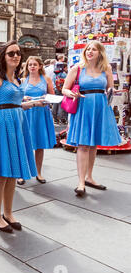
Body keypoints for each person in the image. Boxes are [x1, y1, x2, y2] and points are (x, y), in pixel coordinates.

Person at [0, 40, 42, 233]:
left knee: (12, 171)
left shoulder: (17, 79)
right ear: (3, 56)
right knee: (0, 174)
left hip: (17, 122)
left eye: (18, 53)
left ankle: (9, 213)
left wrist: (33, 103)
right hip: (2, 122)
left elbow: (16, 103)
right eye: (11, 53)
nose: (15, 56)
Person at [62, 40, 122, 197]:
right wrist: (71, 94)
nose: (90, 51)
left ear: (100, 52)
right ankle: (81, 182)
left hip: (100, 108)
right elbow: (64, 89)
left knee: (93, 143)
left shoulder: (106, 68)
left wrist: (111, 91)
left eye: (94, 49)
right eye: (88, 49)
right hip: (83, 107)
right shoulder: (77, 68)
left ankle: (89, 177)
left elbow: (110, 88)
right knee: (83, 145)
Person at [16, 56, 56, 185]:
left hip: (41, 113)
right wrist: (24, 97)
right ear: (27, 67)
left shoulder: (46, 79)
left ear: (40, 66)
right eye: (30, 64)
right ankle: (21, 173)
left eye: (35, 64)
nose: (32, 66)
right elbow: (17, 98)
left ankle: (38, 173)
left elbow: (53, 97)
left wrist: (46, 97)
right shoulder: (22, 80)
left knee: (39, 145)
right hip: (26, 113)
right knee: (22, 144)